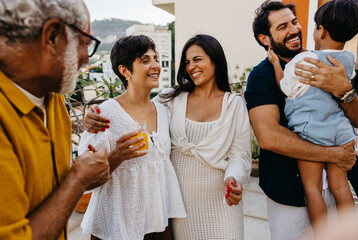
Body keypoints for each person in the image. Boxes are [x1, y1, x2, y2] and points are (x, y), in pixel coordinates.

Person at [84, 34, 252, 239]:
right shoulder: (170, 99)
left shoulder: (167, 109)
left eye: (197, 59)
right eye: (187, 62)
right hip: (147, 216)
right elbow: (84, 176)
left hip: (187, 211)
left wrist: (233, 178)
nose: (191, 67)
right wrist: (92, 115)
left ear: (215, 60)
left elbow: (240, 154)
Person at [0, 0, 116, 239]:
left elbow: (55, 191)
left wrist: (84, 171)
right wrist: (78, 179)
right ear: (52, 36)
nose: (87, 57)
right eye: (85, 43)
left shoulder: (53, 100)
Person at [245, 0, 358, 239]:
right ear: (265, 39)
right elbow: (268, 137)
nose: (294, 29)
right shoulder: (260, 76)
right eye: (282, 26)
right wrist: (334, 154)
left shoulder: (321, 60)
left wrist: (345, 91)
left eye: (294, 22)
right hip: (289, 194)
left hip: (336, 183)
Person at [78, 35, 187, 240]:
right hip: (117, 227)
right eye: (145, 60)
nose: (155, 65)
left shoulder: (163, 111)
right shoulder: (104, 114)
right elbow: (84, 181)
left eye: (155, 58)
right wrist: (117, 155)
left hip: (157, 224)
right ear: (125, 70)